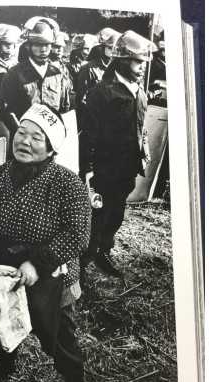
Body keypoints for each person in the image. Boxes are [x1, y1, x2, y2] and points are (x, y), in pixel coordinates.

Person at [0, 104, 91, 382]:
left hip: (51, 276)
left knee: (58, 339)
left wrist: (38, 262)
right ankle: (4, 365)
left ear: (51, 147)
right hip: (4, 274)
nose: (25, 141)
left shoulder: (68, 184)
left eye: (37, 137)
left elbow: (78, 234)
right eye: (22, 132)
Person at [81, 30, 154, 277]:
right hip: (104, 169)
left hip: (127, 167)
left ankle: (104, 250)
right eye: (138, 61)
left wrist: (144, 150)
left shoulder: (138, 89)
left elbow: (140, 126)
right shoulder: (102, 93)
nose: (142, 67)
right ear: (123, 60)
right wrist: (89, 169)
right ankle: (84, 258)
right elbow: (89, 135)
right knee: (97, 213)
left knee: (116, 213)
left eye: (144, 62)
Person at [0, 20, 70, 138]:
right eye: (38, 44)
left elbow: (64, 108)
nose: (43, 49)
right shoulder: (14, 74)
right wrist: (24, 133)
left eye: (47, 44)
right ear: (29, 46)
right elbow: (6, 111)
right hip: (24, 141)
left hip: (51, 140)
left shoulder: (58, 74)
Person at [75, 27, 121, 179]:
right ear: (103, 48)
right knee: (86, 162)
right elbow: (80, 98)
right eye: (110, 48)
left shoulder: (119, 69)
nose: (113, 51)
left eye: (116, 48)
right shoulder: (88, 68)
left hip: (111, 123)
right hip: (91, 121)